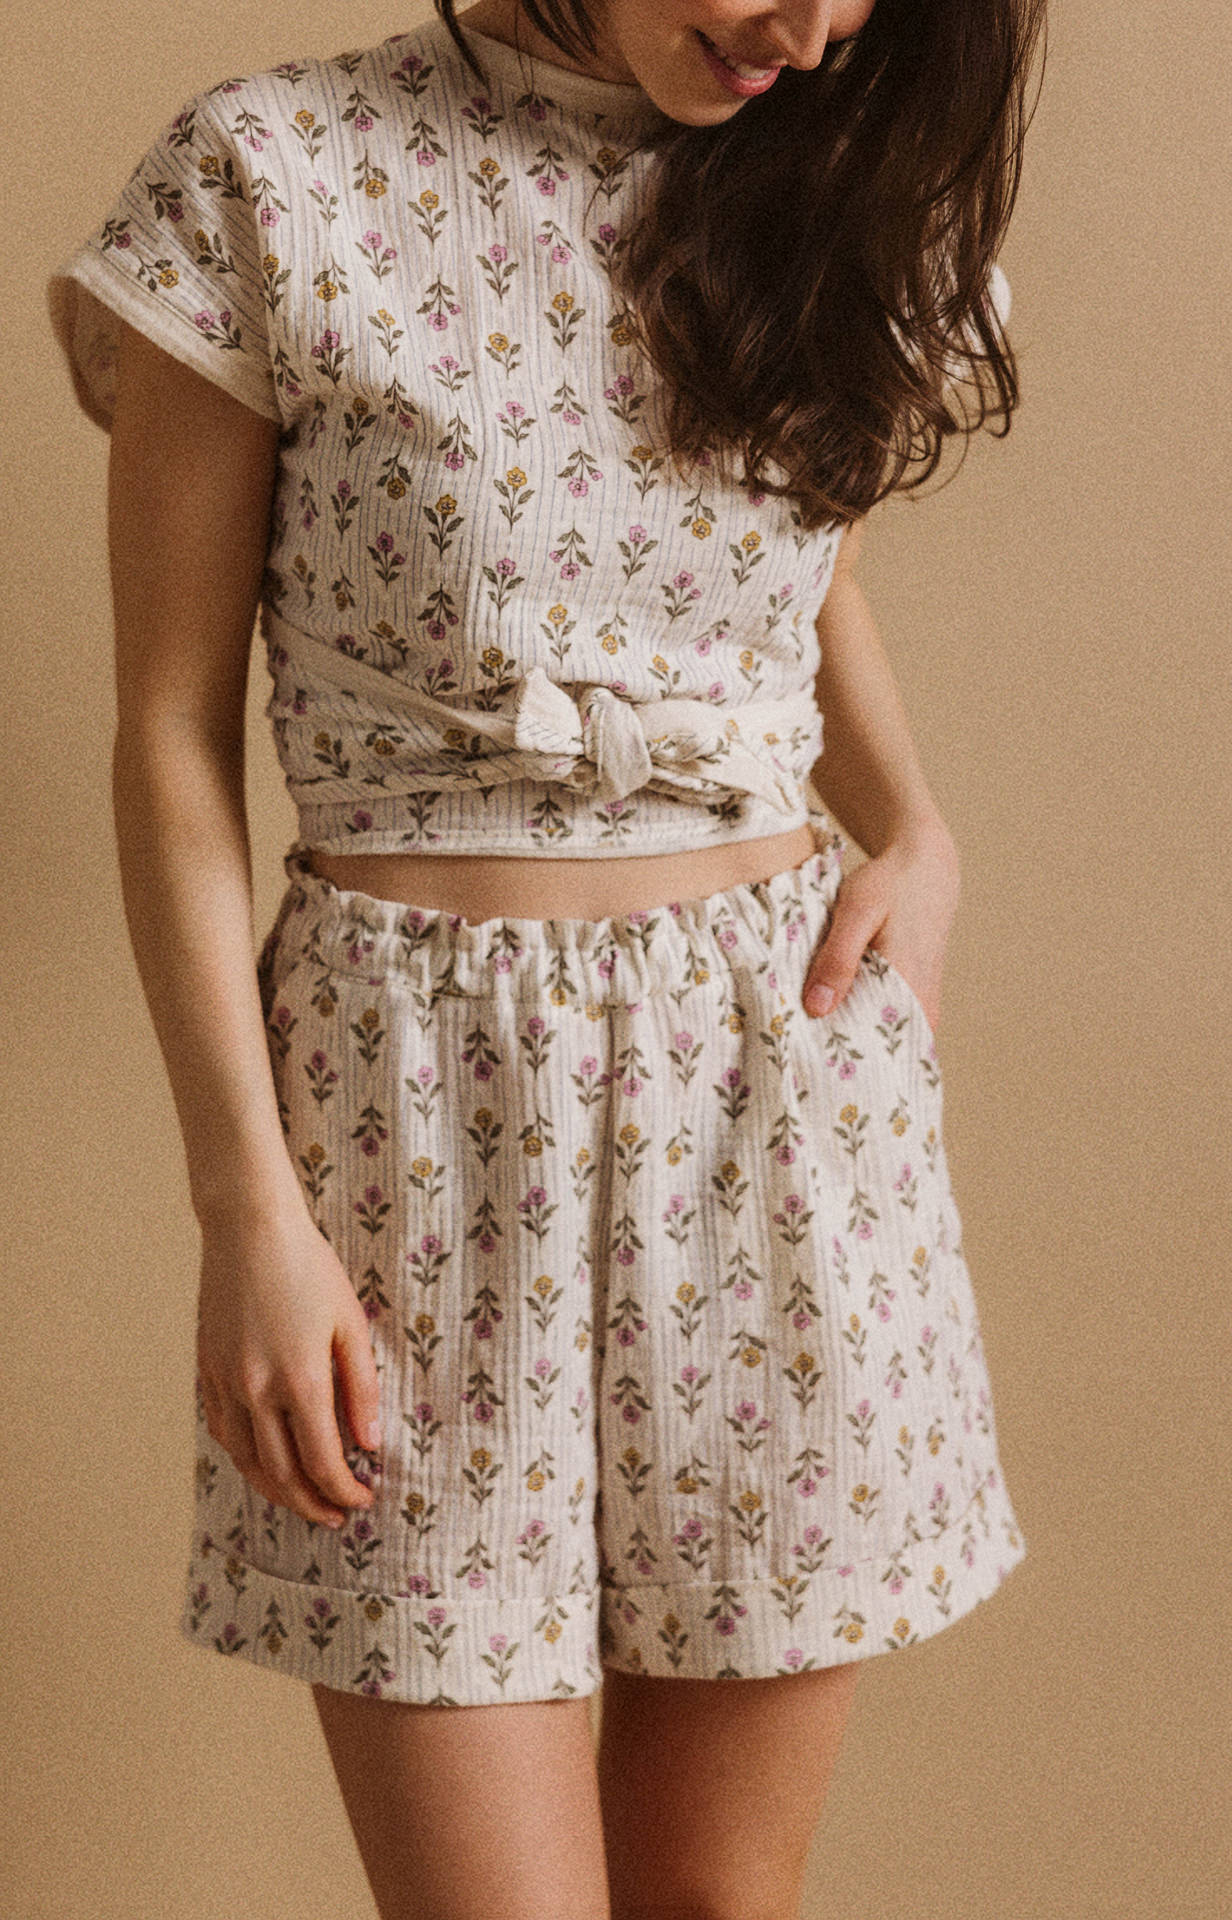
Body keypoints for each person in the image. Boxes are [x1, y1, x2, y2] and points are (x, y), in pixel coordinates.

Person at [46, 1, 1043, 1914]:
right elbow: (170, 730)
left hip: (769, 1095)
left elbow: (788, 548)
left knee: (718, 1903)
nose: (808, 31)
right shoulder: (275, 177)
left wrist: (914, 827)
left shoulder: (829, 182)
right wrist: (245, 1210)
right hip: (412, 1119)